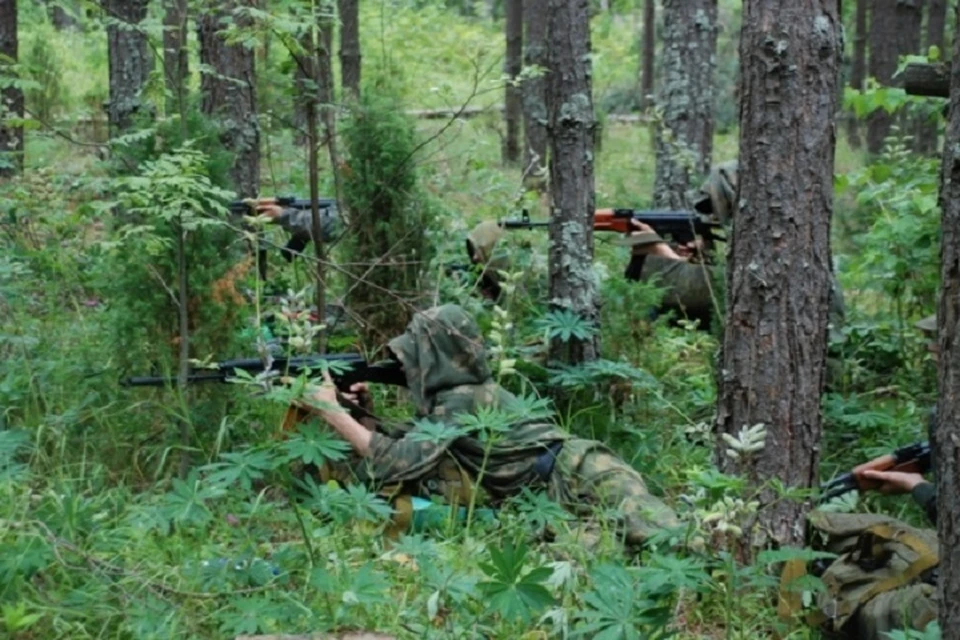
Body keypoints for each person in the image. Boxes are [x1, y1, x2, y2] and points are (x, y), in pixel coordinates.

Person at [297, 303, 690, 550]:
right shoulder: (455, 400)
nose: (406, 367)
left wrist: (331, 412)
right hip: (548, 492)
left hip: (582, 471)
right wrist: (358, 412)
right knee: (598, 546)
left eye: (413, 357)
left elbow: (394, 462)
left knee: (664, 532)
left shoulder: (464, 398)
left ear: (436, 359)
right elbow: (409, 448)